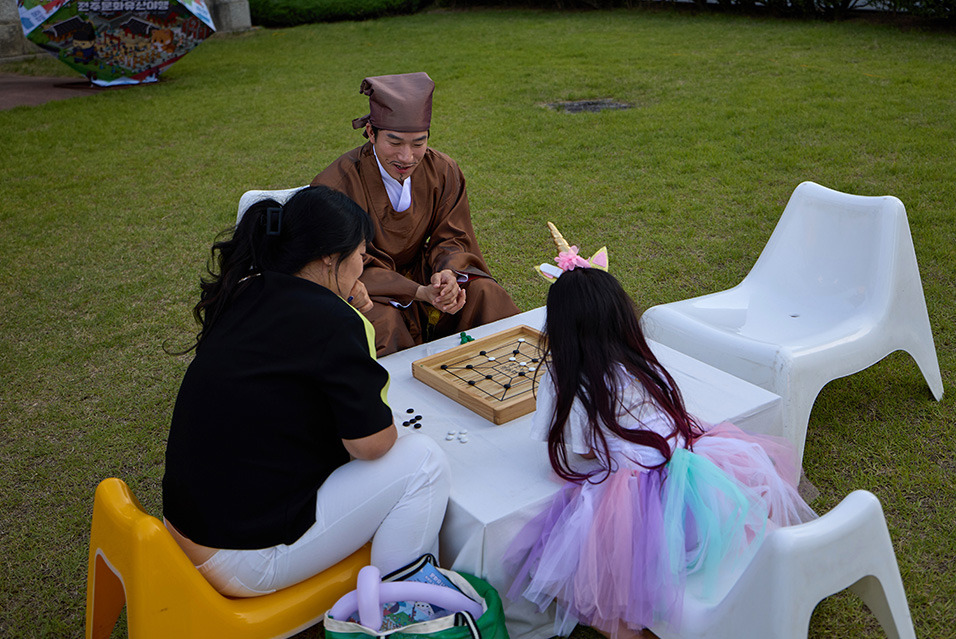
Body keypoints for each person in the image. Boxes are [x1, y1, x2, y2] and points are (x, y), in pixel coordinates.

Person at [162, 185, 451, 597]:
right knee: (423, 461)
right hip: (242, 556)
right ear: (330, 257)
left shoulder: (246, 287)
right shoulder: (332, 320)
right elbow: (372, 445)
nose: (362, 269)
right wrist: (348, 315)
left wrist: (340, 301)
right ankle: (399, 605)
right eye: (361, 256)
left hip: (187, 526)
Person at [506, 265, 816, 639]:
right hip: (701, 486)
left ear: (558, 328)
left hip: (648, 510)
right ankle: (768, 572)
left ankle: (636, 630)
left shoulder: (565, 379)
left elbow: (584, 453)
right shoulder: (637, 360)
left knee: (561, 573)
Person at [311, 72, 520, 356]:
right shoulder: (336, 184)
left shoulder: (442, 170)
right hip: (366, 284)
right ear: (371, 132)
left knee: (485, 293)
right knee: (382, 323)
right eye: (395, 143)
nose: (406, 157)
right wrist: (416, 292)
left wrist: (447, 274)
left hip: (425, 273)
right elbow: (337, 264)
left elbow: (453, 236)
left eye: (418, 143)